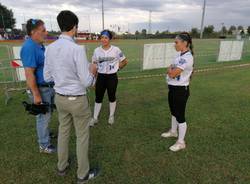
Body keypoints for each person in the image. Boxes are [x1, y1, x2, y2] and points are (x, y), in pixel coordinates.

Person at [44, 10, 99, 184]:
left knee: (64, 131)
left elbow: (47, 77)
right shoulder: (77, 49)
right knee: (82, 136)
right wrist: (93, 72)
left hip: (60, 98)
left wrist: (63, 77)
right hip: (77, 99)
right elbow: (86, 81)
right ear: (74, 27)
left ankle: (62, 166)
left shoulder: (50, 48)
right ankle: (82, 174)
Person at [20, 19, 56, 154]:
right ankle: (44, 145)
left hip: (47, 86)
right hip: (40, 88)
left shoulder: (38, 45)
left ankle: (45, 134)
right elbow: (29, 73)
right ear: (33, 32)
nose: (46, 33)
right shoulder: (29, 47)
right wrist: (36, 94)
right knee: (43, 116)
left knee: (48, 113)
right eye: (43, 30)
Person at [161, 32, 194, 152]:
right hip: (173, 88)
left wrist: (170, 70)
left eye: (176, 42)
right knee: (174, 112)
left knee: (180, 116)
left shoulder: (188, 57)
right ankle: (173, 132)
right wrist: (171, 70)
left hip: (180, 90)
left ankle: (181, 142)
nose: (174, 44)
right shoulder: (179, 56)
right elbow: (170, 69)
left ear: (184, 43)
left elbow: (173, 72)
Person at [89, 30, 128, 126]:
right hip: (101, 77)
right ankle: (95, 118)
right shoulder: (96, 51)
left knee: (112, 96)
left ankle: (111, 116)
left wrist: (117, 68)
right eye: (102, 37)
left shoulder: (116, 50)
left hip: (112, 77)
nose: (103, 39)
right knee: (98, 97)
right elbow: (94, 65)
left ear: (110, 39)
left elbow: (124, 61)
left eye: (106, 38)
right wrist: (94, 80)